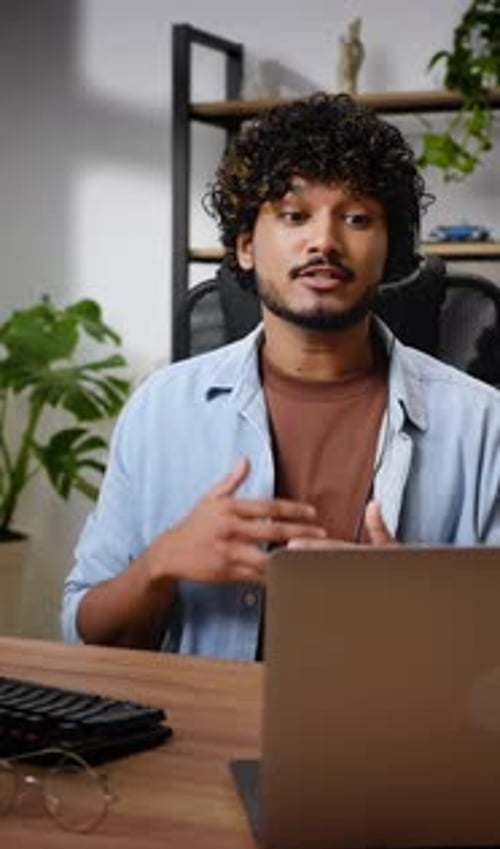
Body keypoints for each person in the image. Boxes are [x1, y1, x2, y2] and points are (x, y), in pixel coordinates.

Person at [62, 93, 500, 659]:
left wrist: (408, 603)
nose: (324, 241)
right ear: (245, 246)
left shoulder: (482, 425)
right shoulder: (161, 410)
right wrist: (161, 563)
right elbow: (84, 632)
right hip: (199, 737)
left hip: (399, 740)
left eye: (357, 218)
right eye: (294, 216)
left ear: (388, 249)